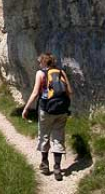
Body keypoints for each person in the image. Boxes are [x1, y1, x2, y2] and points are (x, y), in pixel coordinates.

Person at [22, 53, 73, 181]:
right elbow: (69, 92)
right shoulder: (61, 72)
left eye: (39, 62)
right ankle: (57, 168)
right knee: (58, 138)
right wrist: (66, 107)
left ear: (43, 62)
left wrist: (26, 108)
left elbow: (35, 93)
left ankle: (45, 165)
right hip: (61, 110)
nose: (39, 64)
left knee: (44, 135)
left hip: (46, 109)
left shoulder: (40, 73)